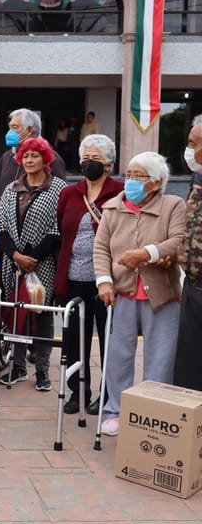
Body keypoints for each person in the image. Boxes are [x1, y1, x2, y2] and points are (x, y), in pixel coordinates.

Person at [94, 151, 184, 437]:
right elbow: (101, 249)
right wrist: (104, 282)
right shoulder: (112, 208)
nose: (129, 181)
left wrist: (147, 253)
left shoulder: (173, 205)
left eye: (138, 176)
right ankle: (115, 410)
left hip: (162, 295)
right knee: (119, 355)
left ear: (156, 182)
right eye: (128, 175)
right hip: (121, 292)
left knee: (160, 357)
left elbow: (178, 240)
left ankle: (151, 414)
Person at [55, 134, 123, 415]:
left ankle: (108, 395)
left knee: (110, 341)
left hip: (108, 281)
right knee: (74, 341)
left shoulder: (120, 192)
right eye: (85, 158)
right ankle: (77, 391)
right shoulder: (70, 193)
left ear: (108, 164)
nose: (88, 163)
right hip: (72, 279)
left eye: (95, 159)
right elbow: (61, 230)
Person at [0, 137, 66, 391]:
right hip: (13, 263)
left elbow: (59, 228)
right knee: (17, 315)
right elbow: (0, 224)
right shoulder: (12, 187)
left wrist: (33, 257)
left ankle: (43, 371)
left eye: (35, 155)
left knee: (42, 315)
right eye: (25, 156)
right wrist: (15, 255)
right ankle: (18, 366)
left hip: (43, 263)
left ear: (46, 159)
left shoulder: (58, 188)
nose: (29, 160)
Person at [0, 108, 67, 219]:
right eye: (10, 127)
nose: (9, 133)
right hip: (5, 230)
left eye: (15, 128)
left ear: (29, 130)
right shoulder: (6, 158)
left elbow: (61, 197)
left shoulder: (51, 159)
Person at [176, 118, 202, 390]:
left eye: (193, 145)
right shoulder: (197, 179)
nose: (188, 150)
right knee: (188, 368)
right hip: (193, 286)